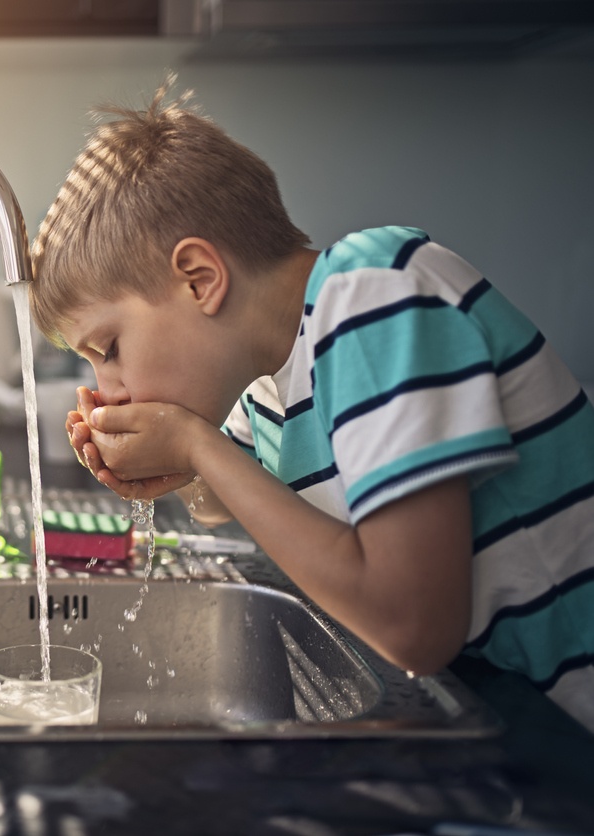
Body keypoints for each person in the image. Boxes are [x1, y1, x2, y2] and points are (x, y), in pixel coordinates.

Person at [29, 75, 594, 732]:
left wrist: (194, 445)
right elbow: (222, 505)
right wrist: (173, 470)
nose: (110, 387)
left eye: (110, 347)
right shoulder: (270, 377)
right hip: (534, 705)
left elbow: (413, 628)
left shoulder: (372, 294)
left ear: (200, 279)